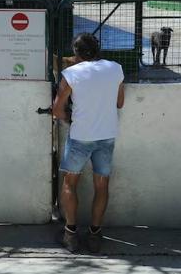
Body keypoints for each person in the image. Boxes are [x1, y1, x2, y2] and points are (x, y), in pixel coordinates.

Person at [52, 33, 124, 253]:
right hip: (107, 135)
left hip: (81, 136)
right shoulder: (115, 68)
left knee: (69, 183)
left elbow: (57, 109)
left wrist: (68, 118)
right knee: (101, 185)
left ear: (76, 52)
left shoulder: (71, 73)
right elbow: (119, 103)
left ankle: (70, 234)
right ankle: (95, 235)